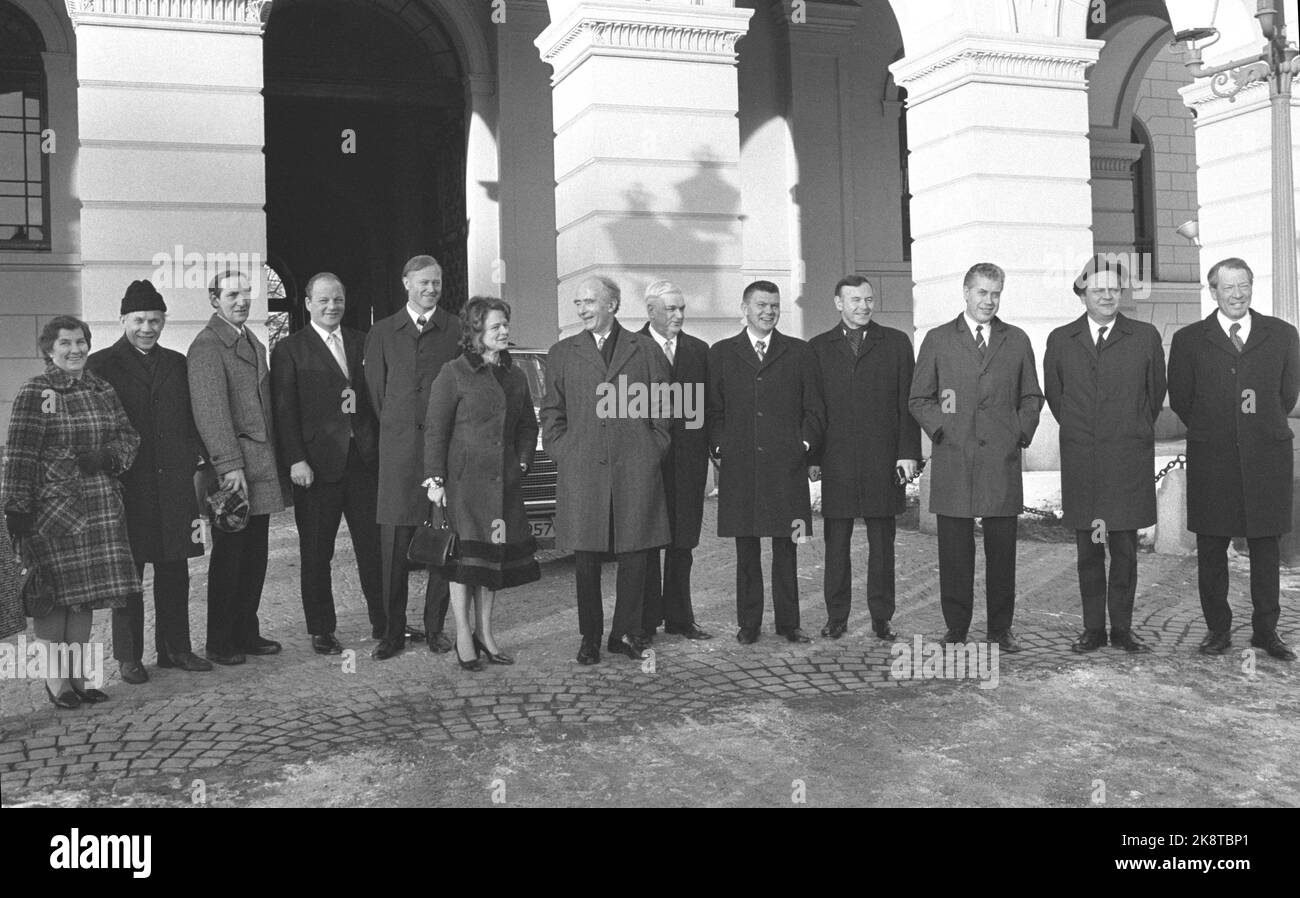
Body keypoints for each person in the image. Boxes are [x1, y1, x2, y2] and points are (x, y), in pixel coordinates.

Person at [2, 316, 141, 708]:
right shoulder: (38, 391)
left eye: (80, 342)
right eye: (65, 343)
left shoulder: (101, 388)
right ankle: (57, 683)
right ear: (49, 350)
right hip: (53, 512)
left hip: (100, 508)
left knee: (85, 600)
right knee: (54, 600)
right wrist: (17, 509)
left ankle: (80, 679)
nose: (75, 350)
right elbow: (21, 453)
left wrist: (109, 457)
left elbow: (129, 436)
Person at [1168, 257, 1299, 661]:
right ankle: (1217, 630)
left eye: (1244, 286)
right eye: (1229, 288)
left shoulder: (1281, 334)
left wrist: (1256, 426)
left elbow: (1287, 395)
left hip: (1266, 458)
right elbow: (1182, 399)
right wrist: (1219, 430)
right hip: (1214, 460)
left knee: (1265, 548)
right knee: (1212, 548)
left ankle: (1266, 631)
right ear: (1213, 292)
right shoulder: (1190, 340)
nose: (1238, 294)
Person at [909, 262, 1043, 652]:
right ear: (966, 293)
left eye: (996, 293)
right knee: (955, 551)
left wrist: (1018, 431)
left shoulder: (1015, 340)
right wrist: (942, 430)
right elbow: (919, 397)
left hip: (1000, 461)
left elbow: (1031, 396)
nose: (989, 301)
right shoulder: (938, 339)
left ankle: (1000, 629)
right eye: (982, 292)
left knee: (1002, 552)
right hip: (955, 458)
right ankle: (957, 628)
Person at [540, 275, 672, 664]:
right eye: (578, 303)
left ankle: (626, 634)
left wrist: (652, 449)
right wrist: (562, 450)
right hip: (583, 470)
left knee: (635, 556)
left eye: (589, 302)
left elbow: (664, 409)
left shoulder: (645, 351)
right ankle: (590, 636)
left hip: (635, 469)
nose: (581, 310)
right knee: (586, 560)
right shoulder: (562, 352)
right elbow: (552, 411)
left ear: (612, 305)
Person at [87, 281, 212, 684]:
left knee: (175, 566)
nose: (147, 327)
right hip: (127, 485)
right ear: (123, 319)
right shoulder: (100, 365)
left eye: (154, 320)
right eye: (139, 320)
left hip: (174, 482)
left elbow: (194, 419)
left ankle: (176, 648)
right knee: (129, 573)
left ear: (163, 321)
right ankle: (129, 656)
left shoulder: (177, 363)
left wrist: (199, 462)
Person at [1044, 255, 1166, 654]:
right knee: (1089, 552)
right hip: (1085, 463)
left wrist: (1128, 430)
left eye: (1114, 289)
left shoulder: (1144, 337)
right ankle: (1093, 628)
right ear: (1083, 294)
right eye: (1098, 290)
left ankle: (1123, 630)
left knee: (1125, 552)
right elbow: (1057, 397)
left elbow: (1154, 395)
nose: (1107, 296)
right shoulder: (1061, 340)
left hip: (1126, 461)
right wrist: (1086, 433)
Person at [423, 297, 540, 671]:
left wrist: (522, 461)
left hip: (502, 486)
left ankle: (486, 635)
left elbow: (527, 426)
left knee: (492, 566)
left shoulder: (516, 375)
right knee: (464, 565)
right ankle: (462, 636)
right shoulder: (453, 373)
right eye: (495, 326)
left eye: (505, 324)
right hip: (463, 487)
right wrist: (435, 480)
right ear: (476, 333)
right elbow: (435, 432)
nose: (504, 331)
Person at [271, 272, 384, 655]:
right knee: (318, 552)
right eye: (323, 300)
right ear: (307, 303)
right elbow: (284, 412)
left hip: (363, 462)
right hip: (316, 467)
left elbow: (371, 399)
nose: (331, 306)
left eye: (337, 299)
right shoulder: (290, 350)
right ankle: (321, 629)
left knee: (373, 547)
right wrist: (296, 460)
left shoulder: (361, 341)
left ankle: (384, 622)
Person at [707, 280, 824, 645]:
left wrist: (802, 444)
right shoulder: (722, 353)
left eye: (774, 305)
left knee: (787, 548)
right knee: (747, 551)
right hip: (741, 469)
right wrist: (721, 446)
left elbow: (815, 409)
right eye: (761, 305)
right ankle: (749, 623)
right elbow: (712, 410)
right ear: (745, 308)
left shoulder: (799, 352)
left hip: (786, 469)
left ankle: (790, 623)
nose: (768, 311)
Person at [808, 275, 921, 640]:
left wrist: (908, 454)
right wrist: (814, 457)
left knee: (883, 546)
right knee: (836, 545)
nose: (863, 307)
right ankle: (836, 616)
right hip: (838, 461)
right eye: (855, 300)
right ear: (838, 303)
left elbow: (909, 404)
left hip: (883, 460)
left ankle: (881, 616)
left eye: (868, 300)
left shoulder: (897, 343)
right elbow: (814, 409)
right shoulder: (818, 348)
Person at [188, 269, 291, 665]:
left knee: (254, 556)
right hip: (235, 470)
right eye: (232, 294)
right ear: (214, 299)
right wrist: (229, 467)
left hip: (260, 467)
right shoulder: (208, 346)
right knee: (230, 557)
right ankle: (220, 640)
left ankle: (246, 631)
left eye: (247, 293)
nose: (242, 300)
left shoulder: (251, 340)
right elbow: (211, 413)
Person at [363, 254, 460, 659]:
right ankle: (392, 631)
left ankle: (436, 628)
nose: (430, 289)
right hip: (399, 457)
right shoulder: (383, 331)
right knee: (393, 548)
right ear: (406, 283)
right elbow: (376, 393)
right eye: (422, 282)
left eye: (436, 282)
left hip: (444, 455)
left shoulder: (455, 328)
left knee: (442, 543)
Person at [638, 281, 712, 641]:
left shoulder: (699, 350)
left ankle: (680, 617)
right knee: (649, 543)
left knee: (683, 544)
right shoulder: (631, 347)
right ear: (650, 310)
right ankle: (647, 618)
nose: (679, 315)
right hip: (646, 463)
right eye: (671, 309)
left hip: (687, 463)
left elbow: (705, 410)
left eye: (682, 308)